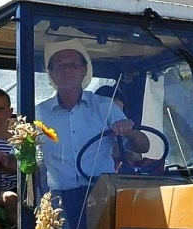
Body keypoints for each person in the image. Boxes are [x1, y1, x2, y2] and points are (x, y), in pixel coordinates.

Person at [35, 41, 144, 209]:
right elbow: (18, 157)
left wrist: (128, 130)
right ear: (51, 73)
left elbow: (143, 146)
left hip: (102, 192)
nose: (67, 69)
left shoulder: (105, 106)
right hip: (59, 198)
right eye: (60, 65)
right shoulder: (39, 113)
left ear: (84, 70)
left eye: (73, 64)